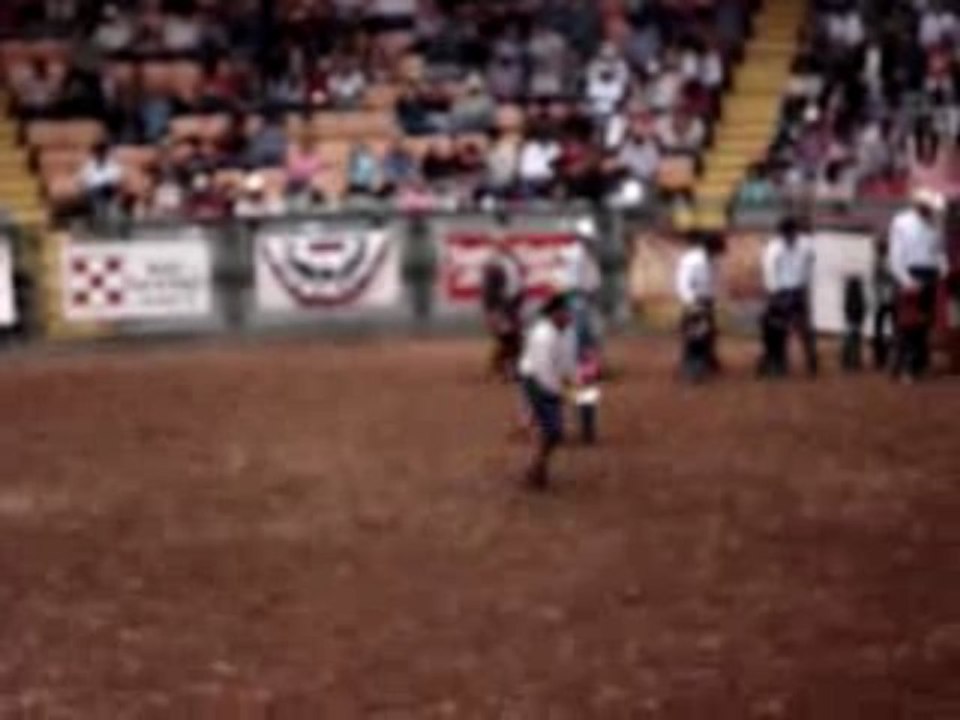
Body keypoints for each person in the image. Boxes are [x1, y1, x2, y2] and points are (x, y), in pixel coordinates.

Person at [517, 293, 578, 490]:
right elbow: (544, 372)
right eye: (567, 312)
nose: (570, 315)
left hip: (550, 380)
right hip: (535, 380)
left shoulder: (568, 332)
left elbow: (568, 362)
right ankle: (534, 468)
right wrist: (562, 393)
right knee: (553, 429)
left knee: (552, 430)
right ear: (555, 314)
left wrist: (572, 384)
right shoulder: (543, 336)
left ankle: (535, 467)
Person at [888, 188, 948, 382]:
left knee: (923, 323)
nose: (931, 210)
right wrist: (906, 280)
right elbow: (896, 255)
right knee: (907, 325)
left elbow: (939, 251)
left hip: (929, 274)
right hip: (910, 273)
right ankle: (903, 366)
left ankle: (917, 364)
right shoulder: (901, 222)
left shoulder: (935, 225)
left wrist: (943, 267)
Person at [757, 216, 818, 378]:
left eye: (791, 233)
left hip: (798, 290)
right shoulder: (773, 248)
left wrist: (806, 283)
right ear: (781, 234)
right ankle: (777, 361)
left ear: (795, 232)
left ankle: (812, 360)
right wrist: (776, 295)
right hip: (780, 291)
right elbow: (769, 272)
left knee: (804, 328)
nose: (788, 237)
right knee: (777, 330)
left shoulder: (806, 245)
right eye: (785, 234)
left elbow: (811, 262)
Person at [675, 232, 724, 382]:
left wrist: (713, 298)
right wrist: (692, 304)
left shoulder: (714, 261)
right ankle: (690, 366)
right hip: (694, 300)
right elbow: (682, 283)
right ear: (709, 248)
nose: (718, 255)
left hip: (707, 299)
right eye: (716, 251)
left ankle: (707, 359)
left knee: (710, 332)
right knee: (695, 334)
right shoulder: (692, 261)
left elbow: (714, 281)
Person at [481, 239, 525, 381]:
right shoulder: (494, 265)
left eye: (505, 244)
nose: (505, 247)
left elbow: (518, 285)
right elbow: (489, 292)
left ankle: (505, 368)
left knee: (513, 339)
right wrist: (491, 311)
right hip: (502, 307)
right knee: (508, 338)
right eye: (501, 245)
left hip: (511, 306)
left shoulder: (512, 262)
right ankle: (505, 370)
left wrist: (518, 303)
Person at [871, 236, 898, 370]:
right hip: (883, 299)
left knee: (888, 328)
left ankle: (887, 356)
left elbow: (890, 278)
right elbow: (876, 280)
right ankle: (881, 357)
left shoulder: (888, 261)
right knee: (881, 329)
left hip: (889, 299)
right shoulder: (878, 261)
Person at [840, 276, 867, 371]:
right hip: (854, 318)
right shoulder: (857, 295)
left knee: (851, 340)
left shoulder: (850, 295)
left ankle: (849, 361)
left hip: (852, 318)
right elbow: (862, 308)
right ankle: (851, 361)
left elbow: (846, 308)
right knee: (853, 340)